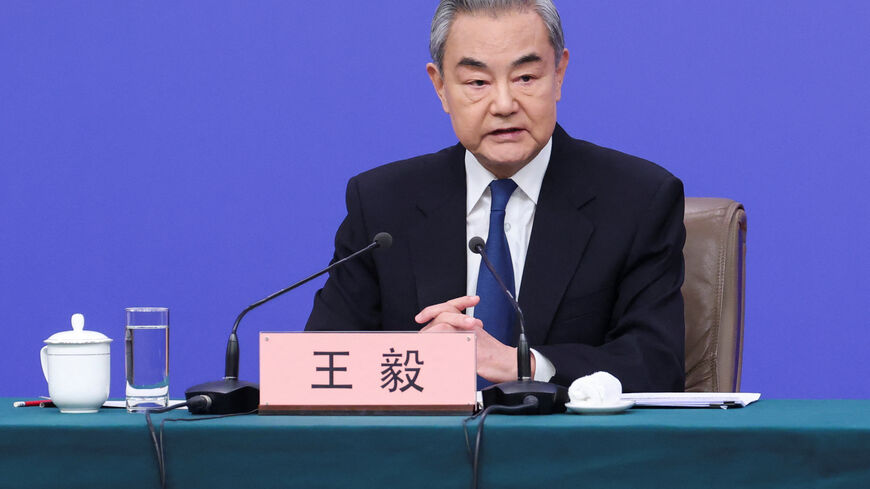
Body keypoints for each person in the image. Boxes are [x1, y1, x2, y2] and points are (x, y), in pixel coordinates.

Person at [305, 0, 686, 392]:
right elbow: (317, 366)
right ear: (440, 87)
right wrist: (414, 361)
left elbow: (657, 364)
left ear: (559, 74)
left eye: (525, 77)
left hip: (570, 451)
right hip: (422, 451)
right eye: (477, 83)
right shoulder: (383, 204)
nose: (504, 105)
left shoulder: (638, 200)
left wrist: (525, 363)